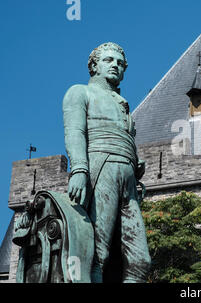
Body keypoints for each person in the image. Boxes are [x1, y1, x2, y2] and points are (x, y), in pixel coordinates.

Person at [62, 42, 151, 283]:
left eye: (120, 63)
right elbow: (75, 132)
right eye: (109, 60)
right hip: (101, 166)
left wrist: (134, 160)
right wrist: (79, 168)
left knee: (141, 261)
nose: (116, 66)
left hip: (127, 178)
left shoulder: (123, 104)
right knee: (97, 252)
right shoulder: (80, 92)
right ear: (94, 66)